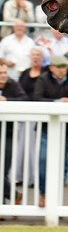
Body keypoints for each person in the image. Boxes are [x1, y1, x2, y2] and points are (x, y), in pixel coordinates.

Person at [33, 55, 68, 206]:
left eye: (64, 66)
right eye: (59, 67)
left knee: (62, 164)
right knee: (43, 160)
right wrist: (58, 102)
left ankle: (55, 198)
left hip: (65, 129)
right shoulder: (43, 79)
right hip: (45, 128)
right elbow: (36, 98)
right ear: (51, 68)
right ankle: (44, 194)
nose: (62, 70)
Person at [15, 47, 43, 188]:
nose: (35, 57)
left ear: (42, 58)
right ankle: (19, 176)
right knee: (21, 147)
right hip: (24, 113)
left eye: (38, 55)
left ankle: (33, 178)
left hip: (39, 115)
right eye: (33, 55)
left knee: (34, 148)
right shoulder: (25, 73)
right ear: (30, 57)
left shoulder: (45, 73)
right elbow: (20, 91)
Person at [0, 64, 25, 210]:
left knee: (3, 170)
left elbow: (24, 99)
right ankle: (13, 195)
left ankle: (4, 204)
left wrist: (7, 101)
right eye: (0, 73)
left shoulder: (13, 85)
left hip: (8, 133)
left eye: (5, 72)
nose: (3, 75)